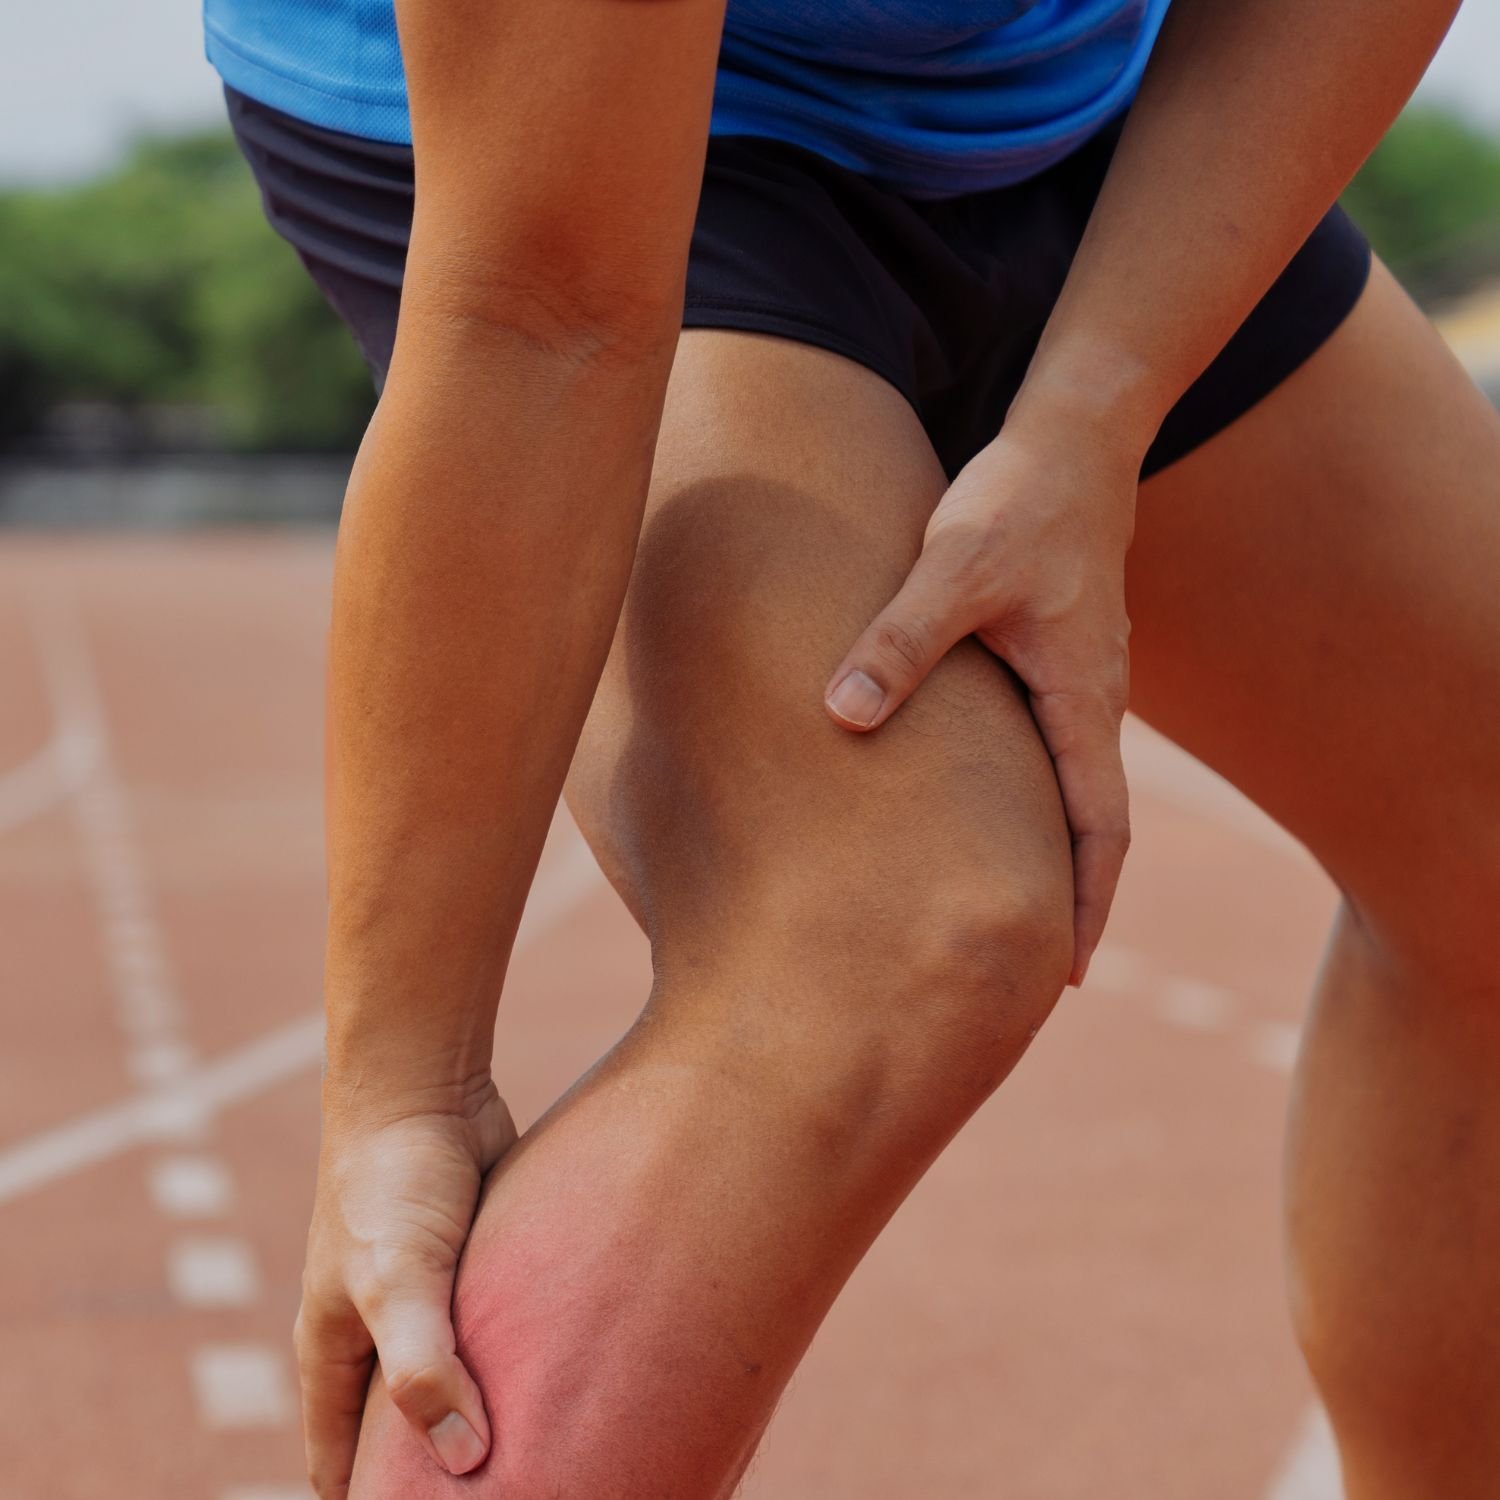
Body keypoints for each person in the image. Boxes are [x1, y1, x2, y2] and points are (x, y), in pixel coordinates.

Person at [204, 0, 1497, 1495]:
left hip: (1080, 112)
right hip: (611, 154)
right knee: (886, 917)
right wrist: (402, 1087)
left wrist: (1093, 411)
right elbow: (542, 317)